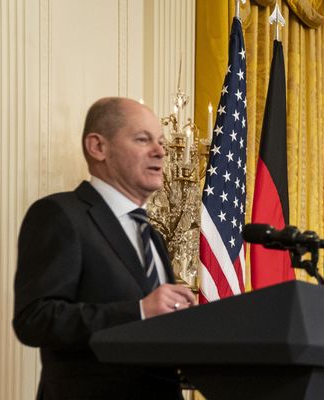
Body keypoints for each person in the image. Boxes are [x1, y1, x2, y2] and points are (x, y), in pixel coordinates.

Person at [12, 97, 197, 399]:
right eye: (142, 139)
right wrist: (138, 311)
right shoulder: (60, 215)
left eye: (161, 142)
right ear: (98, 147)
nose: (161, 151)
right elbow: (35, 319)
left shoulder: (152, 235)